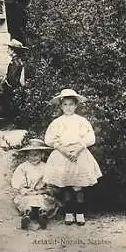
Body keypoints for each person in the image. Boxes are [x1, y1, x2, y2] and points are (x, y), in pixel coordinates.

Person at [43, 88, 102, 226]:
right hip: (62, 155)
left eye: (71, 104)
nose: (68, 107)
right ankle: (69, 213)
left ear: (76, 105)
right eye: (65, 104)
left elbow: (90, 138)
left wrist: (77, 150)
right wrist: (64, 151)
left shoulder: (82, 121)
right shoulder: (57, 122)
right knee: (67, 185)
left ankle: (80, 213)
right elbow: (49, 139)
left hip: (79, 154)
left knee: (79, 185)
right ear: (61, 106)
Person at [11, 139, 60, 230]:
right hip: (28, 193)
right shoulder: (22, 167)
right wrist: (26, 191)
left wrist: (42, 191)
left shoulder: (46, 167)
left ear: (42, 155)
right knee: (26, 201)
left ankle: (42, 214)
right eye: (31, 155)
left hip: (41, 193)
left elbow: (50, 184)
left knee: (44, 200)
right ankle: (27, 214)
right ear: (27, 156)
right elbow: (19, 184)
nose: (34, 157)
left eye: (36, 154)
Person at [1, 39, 28, 119]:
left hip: (13, 89)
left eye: (9, 49)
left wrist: (6, 81)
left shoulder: (16, 63)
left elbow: (13, 79)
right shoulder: (16, 61)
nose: (7, 50)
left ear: (13, 51)